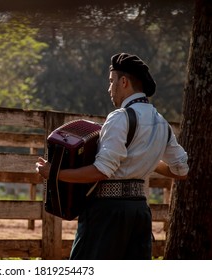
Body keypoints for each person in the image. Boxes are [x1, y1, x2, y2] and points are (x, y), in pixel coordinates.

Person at [35, 52, 189, 260]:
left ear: (123, 82)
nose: (109, 88)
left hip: (107, 213)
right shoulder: (162, 123)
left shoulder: (120, 117)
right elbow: (180, 171)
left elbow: (101, 171)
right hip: (139, 213)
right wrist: (146, 161)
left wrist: (53, 172)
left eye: (111, 81)